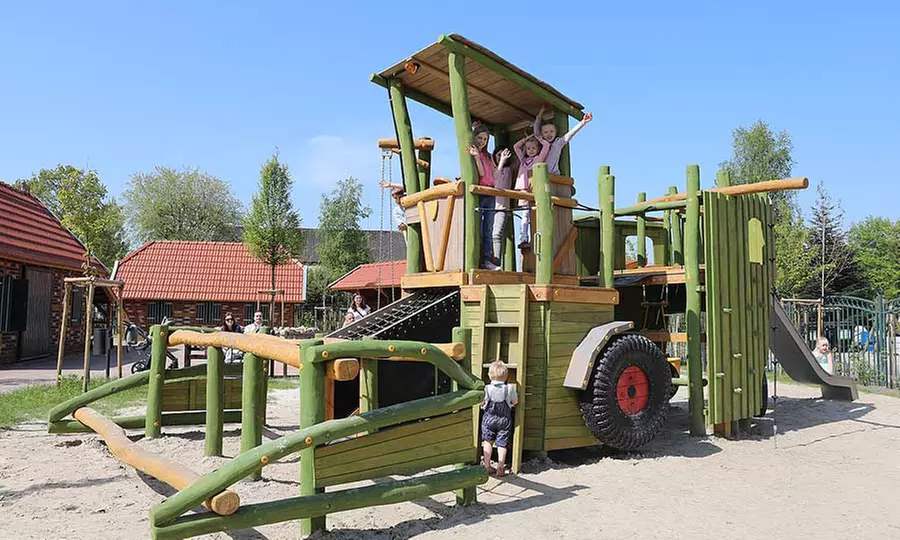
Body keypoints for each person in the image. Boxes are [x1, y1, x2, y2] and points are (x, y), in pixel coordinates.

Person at [467, 122, 499, 270]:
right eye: (479, 138)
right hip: (480, 193)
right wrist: (476, 157)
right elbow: (480, 173)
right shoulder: (476, 154)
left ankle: (486, 260)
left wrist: (502, 160)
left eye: (485, 139)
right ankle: (477, 259)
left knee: (488, 229)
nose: (482, 141)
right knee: (478, 228)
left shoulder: (488, 156)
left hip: (490, 193)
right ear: (474, 137)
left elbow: (495, 175)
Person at [513, 134, 550, 250]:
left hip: (535, 190)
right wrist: (526, 138)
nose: (531, 150)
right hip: (524, 190)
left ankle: (538, 236)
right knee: (525, 215)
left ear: (537, 149)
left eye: (533, 148)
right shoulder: (524, 160)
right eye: (528, 148)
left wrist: (538, 138)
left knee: (536, 214)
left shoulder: (538, 159)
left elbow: (546, 145)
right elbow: (516, 147)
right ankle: (523, 238)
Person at [481, 359, 518, 477]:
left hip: (488, 419)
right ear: (506, 376)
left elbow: (482, 403)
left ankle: (487, 465)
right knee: (502, 443)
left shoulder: (487, 388)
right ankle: (500, 466)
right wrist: (511, 405)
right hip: (504, 420)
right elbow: (515, 402)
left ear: (489, 375)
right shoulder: (509, 388)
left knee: (488, 441)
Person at [533, 105, 593, 175]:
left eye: (551, 131)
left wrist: (583, 122)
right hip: (541, 173)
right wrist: (542, 111)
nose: (549, 134)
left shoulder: (557, 143)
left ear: (556, 132)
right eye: (545, 132)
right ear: (542, 134)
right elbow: (536, 128)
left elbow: (570, 134)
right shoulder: (541, 142)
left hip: (553, 174)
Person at [490, 147, 513, 269]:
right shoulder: (492, 168)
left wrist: (503, 161)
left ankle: (496, 263)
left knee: (496, 234)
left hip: (501, 207)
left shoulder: (508, 170)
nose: (500, 157)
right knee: (488, 235)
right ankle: (489, 261)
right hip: (490, 206)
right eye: (498, 155)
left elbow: (498, 180)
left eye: (503, 154)